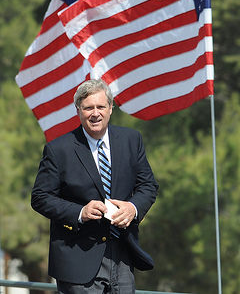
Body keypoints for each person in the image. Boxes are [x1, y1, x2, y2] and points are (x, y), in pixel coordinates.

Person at [31, 79, 158, 293]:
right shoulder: (58, 149)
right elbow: (40, 197)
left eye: (100, 106)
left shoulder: (131, 140)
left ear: (110, 109)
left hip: (123, 255)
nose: (95, 113)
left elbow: (148, 185)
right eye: (88, 107)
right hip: (77, 259)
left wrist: (133, 208)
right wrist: (80, 212)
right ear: (78, 111)